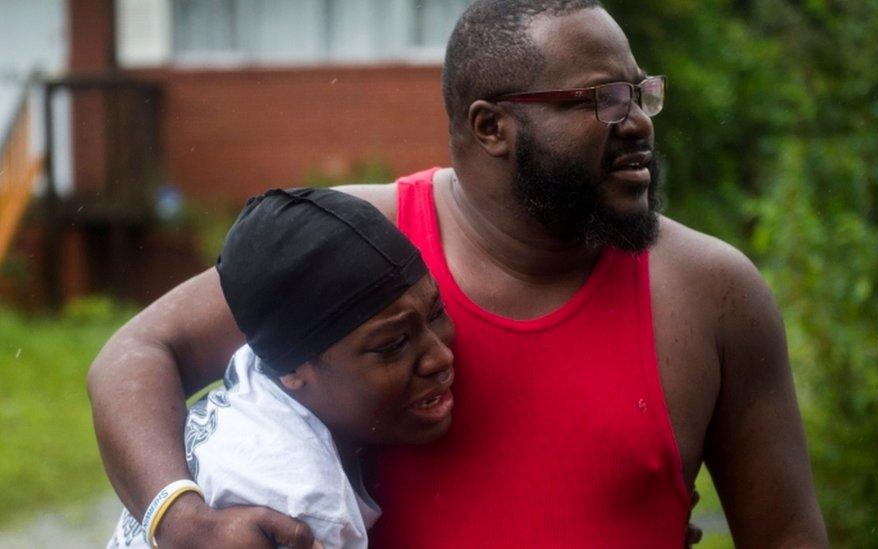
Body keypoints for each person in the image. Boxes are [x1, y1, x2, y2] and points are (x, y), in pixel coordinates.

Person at [88, 0, 829, 546]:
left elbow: (789, 532)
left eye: (640, 93)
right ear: (490, 126)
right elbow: (133, 354)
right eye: (600, 100)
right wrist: (180, 517)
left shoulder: (715, 293)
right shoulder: (362, 244)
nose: (636, 121)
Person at [106, 188, 455, 548]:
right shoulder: (300, 507)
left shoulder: (256, 372)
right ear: (292, 371)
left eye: (436, 312)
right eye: (391, 345)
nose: (440, 357)